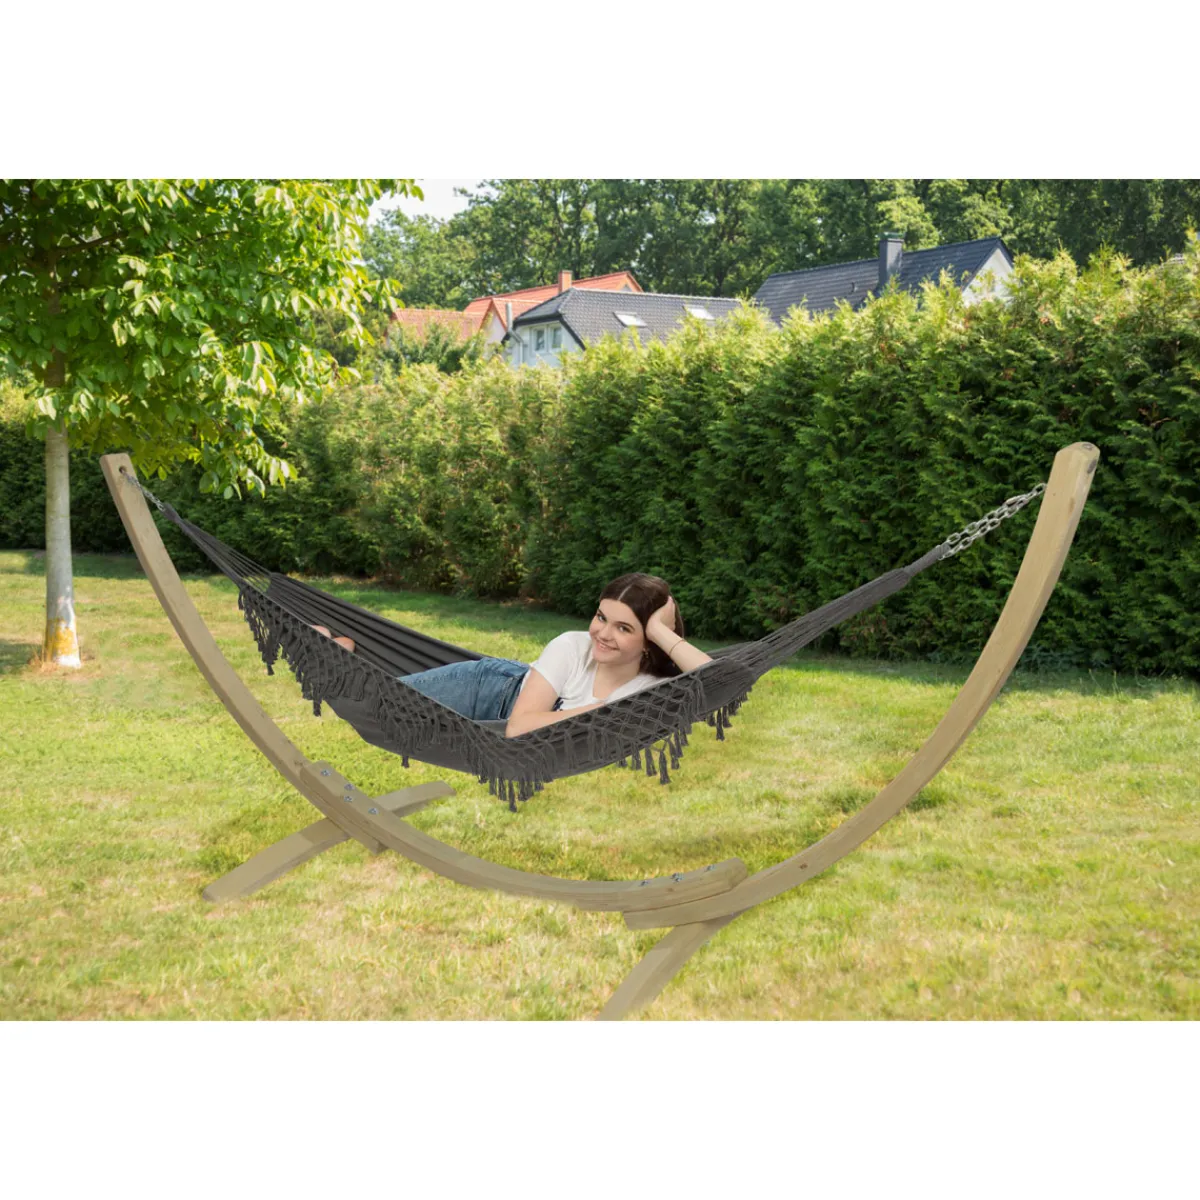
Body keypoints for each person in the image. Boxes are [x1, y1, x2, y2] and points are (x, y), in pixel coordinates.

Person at [312, 573, 711, 738]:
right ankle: (332, 651)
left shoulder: (652, 685)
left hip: (513, 706)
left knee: (378, 703)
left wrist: (661, 630)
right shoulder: (572, 646)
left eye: (624, 628)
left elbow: (719, 682)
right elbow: (520, 727)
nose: (602, 634)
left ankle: (344, 657)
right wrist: (602, 710)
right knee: (373, 703)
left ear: (649, 642)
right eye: (601, 617)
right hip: (491, 689)